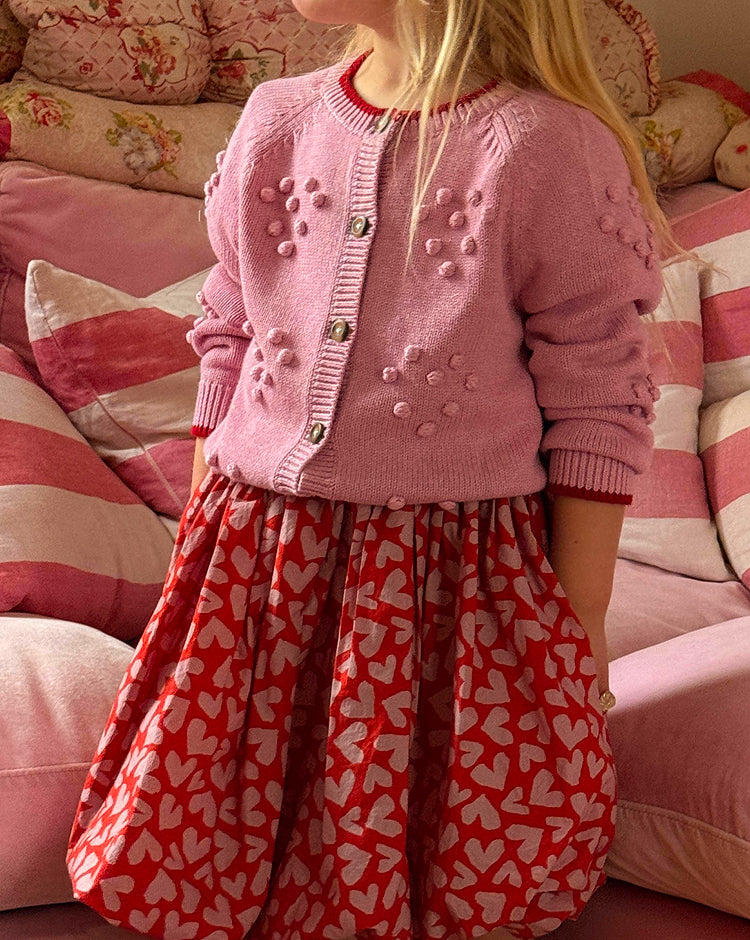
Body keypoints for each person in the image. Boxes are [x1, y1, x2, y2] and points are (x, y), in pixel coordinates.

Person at [64, 1, 698, 938]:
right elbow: (231, 328)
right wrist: (201, 539)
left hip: (447, 565)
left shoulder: (542, 146)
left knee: (439, 841)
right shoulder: (276, 117)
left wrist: (580, 620)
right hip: (254, 546)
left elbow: (600, 391)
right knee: (199, 829)